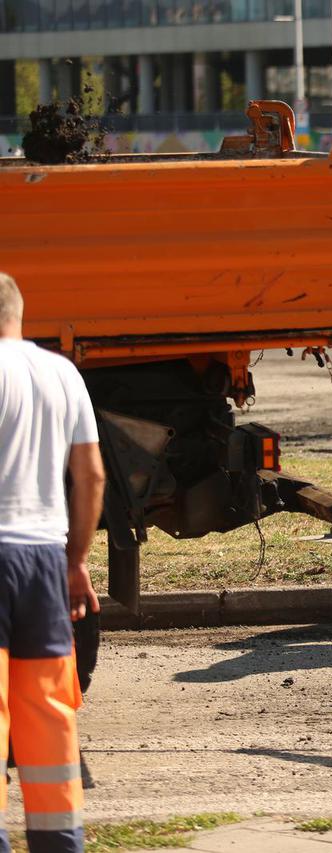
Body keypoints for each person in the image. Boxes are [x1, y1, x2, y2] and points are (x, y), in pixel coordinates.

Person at [0, 272, 103, 853]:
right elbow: (90, 475)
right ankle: (59, 841)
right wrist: (76, 560)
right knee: (46, 710)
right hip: (44, 559)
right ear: (19, 314)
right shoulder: (61, 374)